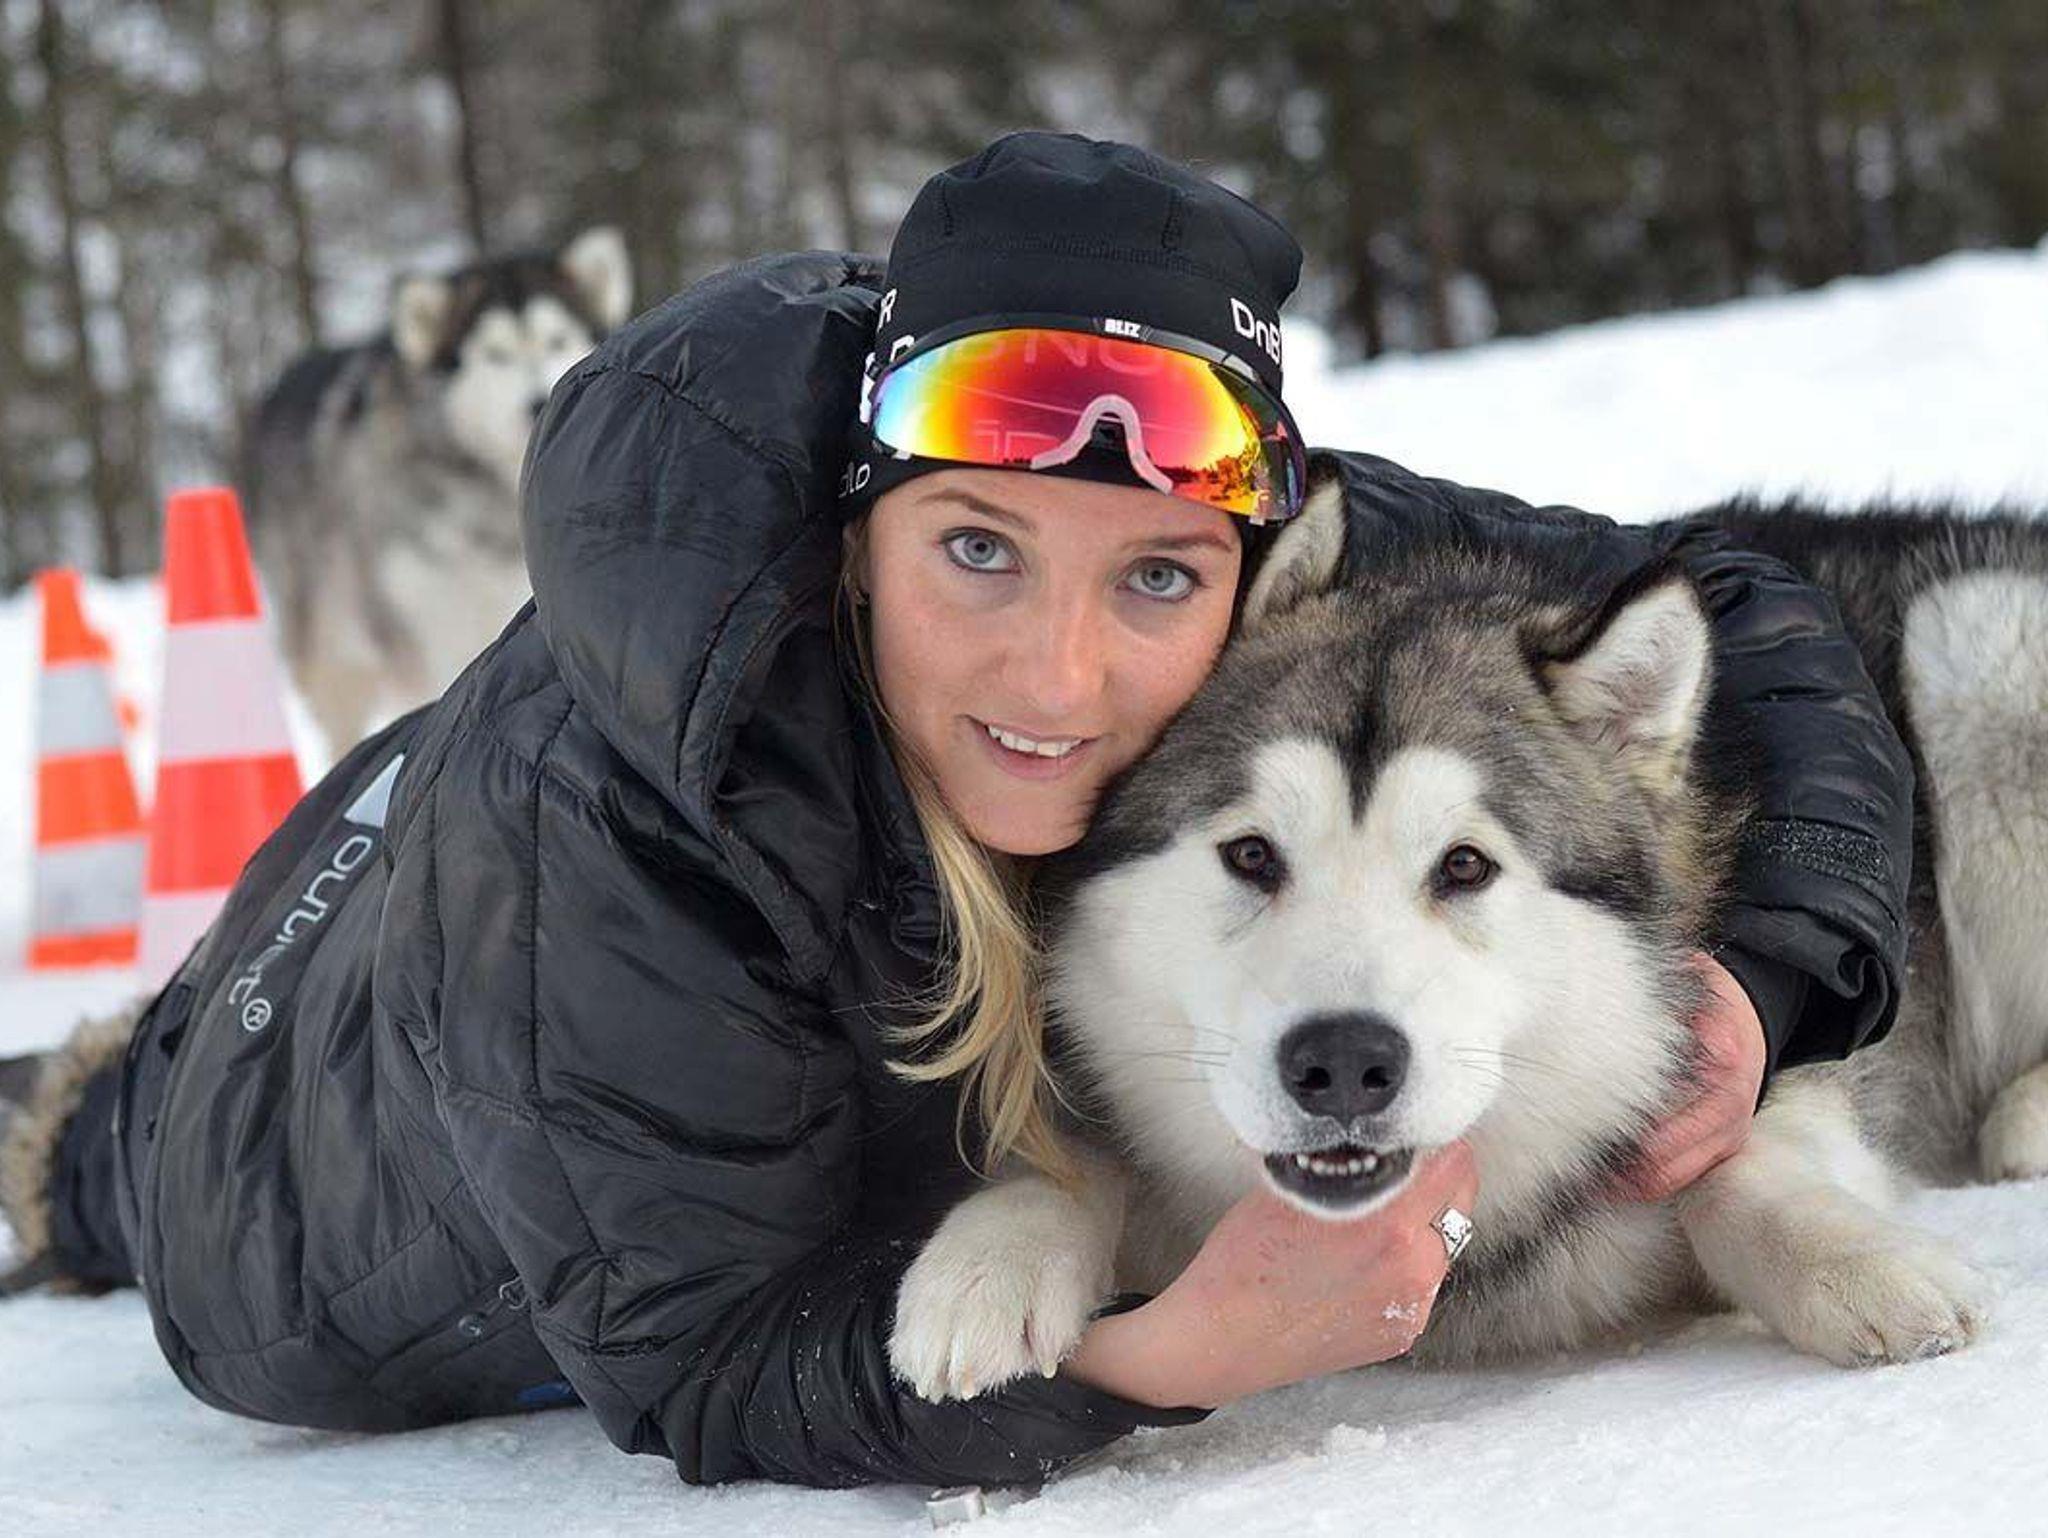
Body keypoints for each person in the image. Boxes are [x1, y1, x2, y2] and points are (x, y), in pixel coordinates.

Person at [0, 132, 1912, 1489]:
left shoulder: (1187, 484)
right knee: (110, 1132)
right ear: (862, 521)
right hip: (295, 1156)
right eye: (977, 551)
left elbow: (1743, 605)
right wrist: (1163, 1360)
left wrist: (1763, 985)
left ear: (1247, 546)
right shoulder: (642, 823)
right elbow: (710, 1356)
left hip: (441, 842)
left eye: (1155, 579)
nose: (1059, 676)